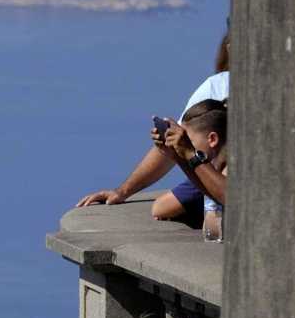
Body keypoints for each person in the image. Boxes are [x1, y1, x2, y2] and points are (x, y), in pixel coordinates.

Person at [76, 33, 230, 209]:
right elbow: (183, 141)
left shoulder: (221, 85)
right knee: (164, 208)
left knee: (165, 208)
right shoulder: (219, 85)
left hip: (223, 181)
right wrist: (123, 191)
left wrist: (186, 154)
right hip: (211, 176)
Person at [148, 100, 229, 229]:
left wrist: (191, 155)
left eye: (188, 141)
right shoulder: (212, 174)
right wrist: (177, 155)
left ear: (212, 139)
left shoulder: (229, 171)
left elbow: (232, 197)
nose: (184, 145)